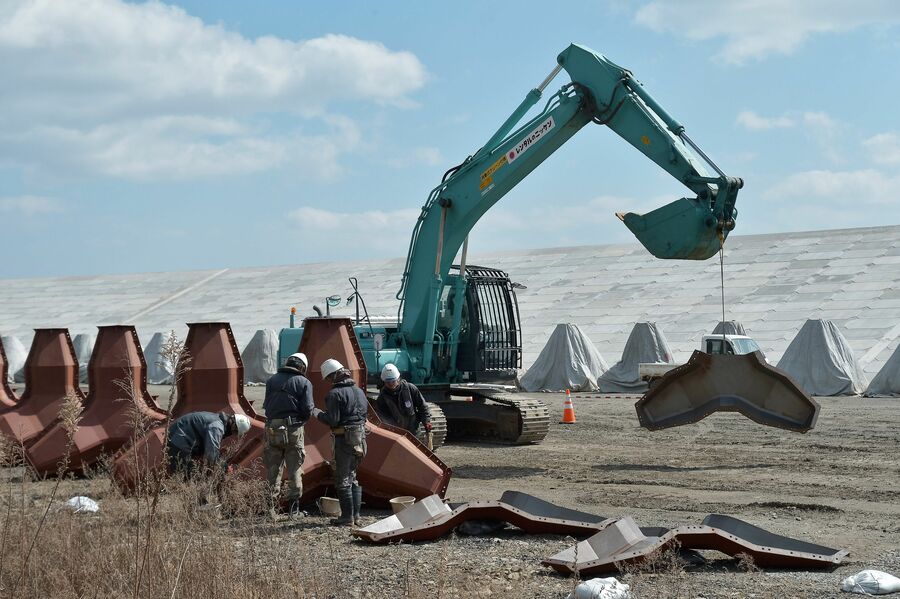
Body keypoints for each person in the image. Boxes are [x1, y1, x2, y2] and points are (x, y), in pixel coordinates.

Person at [312, 358, 367, 526]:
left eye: (328, 378)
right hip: (360, 440)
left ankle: (347, 518)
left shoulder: (335, 394)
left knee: (343, 479)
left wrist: (317, 413)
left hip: (344, 441)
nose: (328, 381)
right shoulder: (359, 391)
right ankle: (356, 516)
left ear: (333, 376)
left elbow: (333, 420)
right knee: (353, 477)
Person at [262, 352, 314, 518]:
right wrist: (300, 421)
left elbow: (267, 406)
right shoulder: (303, 382)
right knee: (294, 468)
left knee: (273, 469)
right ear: (302, 367)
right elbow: (308, 408)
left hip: (272, 428)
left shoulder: (271, 380)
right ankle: (294, 511)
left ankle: (270, 511)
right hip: (293, 429)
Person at [166, 411, 251, 504]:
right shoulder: (217, 427)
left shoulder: (217, 421)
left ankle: (195, 504)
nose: (233, 434)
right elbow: (211, 454)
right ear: (233, 426)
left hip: (178, 437)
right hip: (179, 440)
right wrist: (225, 467)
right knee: (189, 476)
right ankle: (198, 506)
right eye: (235, 432)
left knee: (190, 474)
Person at [375, 364, 432, 436]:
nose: (391, 384)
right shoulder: (382, 397)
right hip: (396, 434)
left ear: (398, 378)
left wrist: (426, 421)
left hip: (413, 432)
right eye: (388, 382)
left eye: (393, 381)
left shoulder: (410, 389)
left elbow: (422, 406)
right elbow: (383, 416)